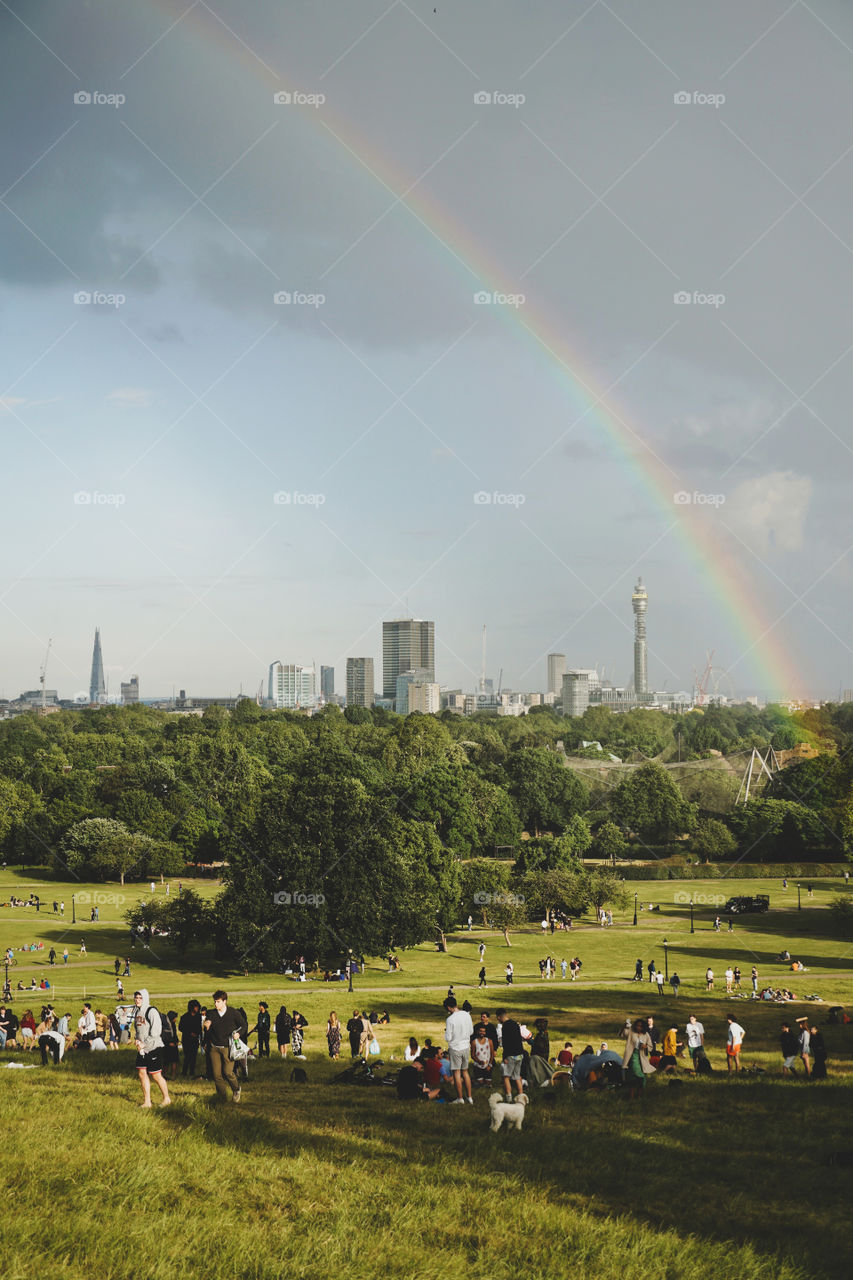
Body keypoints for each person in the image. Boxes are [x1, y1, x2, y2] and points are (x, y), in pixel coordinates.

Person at [133, 989, 172, 1108]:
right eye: (136, 998)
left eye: (140, 998)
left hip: (154, 1047)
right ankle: (147, 1102)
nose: (137, 1000)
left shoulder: (151, 1011)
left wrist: (145, 1043)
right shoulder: (137, 1012)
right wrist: (137, 1040)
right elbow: (138, 1030)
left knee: (155, 1075)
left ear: (145, 998)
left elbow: (156, 1032)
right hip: (142, 1049)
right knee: (141, 1073)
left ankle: (166, 1099)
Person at [203, 990, 242, 1103]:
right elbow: (207, 1028)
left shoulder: (233, 1013)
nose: (216, 1004)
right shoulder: (211, 1013)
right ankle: (222, 1097)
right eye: (215, 1001)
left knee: (228, 1072)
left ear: (224, 1001)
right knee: (216, 1075)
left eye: (218, 1001)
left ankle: (236, 1089)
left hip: (227, 1047)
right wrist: (206, 1026)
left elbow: (243, 1025)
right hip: (214, 1048)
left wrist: (238, 1033)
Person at [444, 997, 474, 1105]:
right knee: (465, 1072)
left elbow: (448, 1037)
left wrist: (446, 1032)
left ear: (448, 1007)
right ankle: (469, 1097)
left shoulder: (450, 1019)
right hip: (466, 1046)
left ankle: (460, 1098)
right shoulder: (466, 1014)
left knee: (457, 1073)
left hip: (455, 1047)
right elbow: (471, 1031)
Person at [622, 1019, 654, 1099]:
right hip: (632, 1055)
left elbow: (650, 1047)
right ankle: (631, 1097)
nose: (638, 1027)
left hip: (642, 1058)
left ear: (643, 1027)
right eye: (637, 1025)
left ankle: (639, 1097)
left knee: (642, 1078)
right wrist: (626, 1025)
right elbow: (624, 1033)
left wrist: (645, 1046)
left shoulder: (646, 1035)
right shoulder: (631, 1032)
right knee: (634, 1075)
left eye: (640, 1026)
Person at [496, 1008, 525, 1099]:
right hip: (520, 1053)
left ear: (499, 1017)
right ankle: (521, 1096)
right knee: (517, 1076)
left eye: (498, 1018)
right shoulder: (515, 1024)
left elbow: (506, 1042)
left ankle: (509, 1097)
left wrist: (505, 1056)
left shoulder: (505, 1026)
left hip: (510, 1055)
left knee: (506, 1076)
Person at [179, 1000, 203, 1076]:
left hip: (195, 1039)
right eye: (196, 1007)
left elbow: (199, 1027)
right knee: (187, 1056)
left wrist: (198, 1034)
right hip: (187, 1039)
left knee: (194, 1056)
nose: (197, 1009)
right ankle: (184, 1072)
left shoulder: (198, 1017)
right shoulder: (184, 1017)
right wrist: (189, 1033)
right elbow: (180, 1028)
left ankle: (192, 1072)